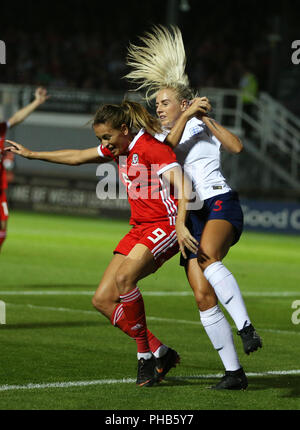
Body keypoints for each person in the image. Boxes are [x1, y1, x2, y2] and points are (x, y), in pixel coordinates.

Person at [6, 100, 199, 387]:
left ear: (124, 129)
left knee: (124, 278)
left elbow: (184, 186)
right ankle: (161, 351)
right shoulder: (118, 148)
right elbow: (76, 156)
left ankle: (145, 357)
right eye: (100, 139)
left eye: (106, 137)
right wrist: (33, 154)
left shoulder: (150, 147)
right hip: (139, 229)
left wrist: (182, 224)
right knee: (103, 300)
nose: (104, 144)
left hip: (166, 226)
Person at [125, 24, 263, 390]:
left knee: (208, 256)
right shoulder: (161, 137)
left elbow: (236, 147)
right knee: (202, 296)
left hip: (218, 201)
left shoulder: (200, 125)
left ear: (183, 102)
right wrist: (186, 116)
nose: (159, 107)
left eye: (165, 102)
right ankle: (234, 373)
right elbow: (167, 147)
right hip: (191, 215)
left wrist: (206, 119)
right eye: (156, 104)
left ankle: (247, 327)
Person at [0, 87, 49, 252]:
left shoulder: (1, 129)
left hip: (0, 190)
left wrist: (36, 101)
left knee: (3, 229)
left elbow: (16, 118)